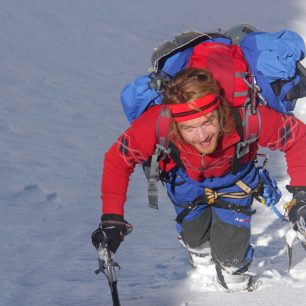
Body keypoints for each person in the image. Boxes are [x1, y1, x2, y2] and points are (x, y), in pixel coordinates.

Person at [91, 68, 306, 292]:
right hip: (184, 182)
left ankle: (235, 284)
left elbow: (298, 138)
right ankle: (200, 256)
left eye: (207, 122)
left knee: (234, 275)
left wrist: (302, 194)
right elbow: (118, 159)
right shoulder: (157, 123)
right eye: (189, 128)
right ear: (176, 124)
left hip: (235, 181)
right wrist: (112, 218)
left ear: (220, 111)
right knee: (196, 242)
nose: (202, 136)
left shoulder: (245, 116)